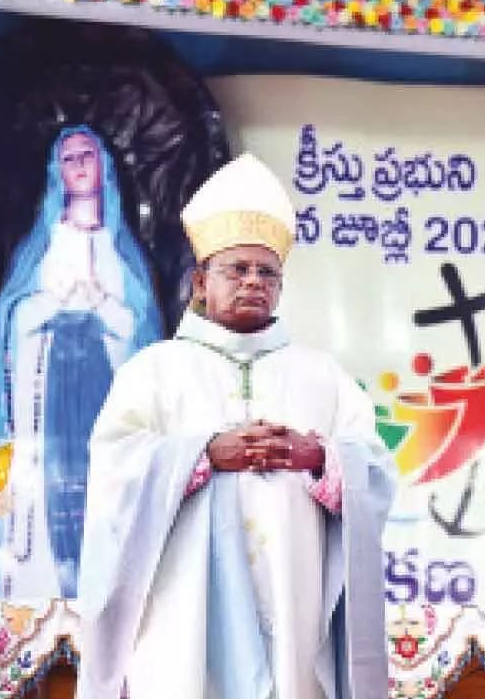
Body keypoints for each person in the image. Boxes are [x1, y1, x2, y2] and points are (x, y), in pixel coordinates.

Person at [75, 153, 396, 699]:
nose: (253, 281)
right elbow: (113, 473)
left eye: (266, 271)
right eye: (237, 269)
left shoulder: (321, 375)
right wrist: (201, 455)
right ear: (201, 281)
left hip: (294, 610)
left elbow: (377, 472)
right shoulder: (152, 371)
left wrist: (317, 456)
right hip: (184, 614)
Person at [0, 125, 162, 600]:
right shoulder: (44, 246)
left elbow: (142, 335)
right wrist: (51, 305)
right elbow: (9, 319)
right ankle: (45, 584)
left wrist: (103, 308)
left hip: (104, 388)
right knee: (48, 486)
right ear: (56, 172)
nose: (79, 165)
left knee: (104, 485)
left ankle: (105, 587)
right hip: (47, 390)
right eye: (68, 158)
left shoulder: (121, 253)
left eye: (87, 155)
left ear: (104, 165)